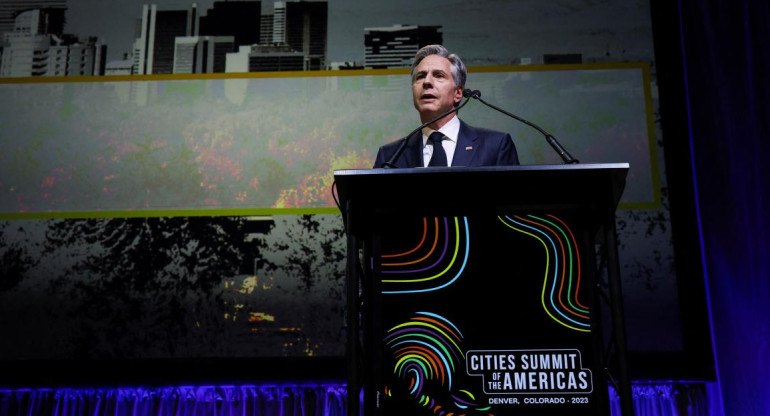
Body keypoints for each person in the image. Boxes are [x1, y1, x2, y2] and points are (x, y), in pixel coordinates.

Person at [373, 44, 519, 168]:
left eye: (438, 75)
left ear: (458, 93)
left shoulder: (495, 146)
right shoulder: (390, 156)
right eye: (420, 76)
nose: (427, 82)